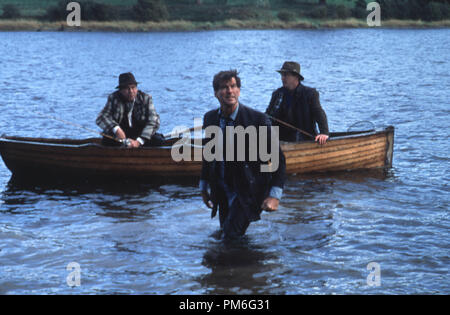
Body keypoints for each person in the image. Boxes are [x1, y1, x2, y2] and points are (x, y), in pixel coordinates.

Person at [200, 70, 286, 239]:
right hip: (222, 189)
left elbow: (277, 159)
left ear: (239, 90)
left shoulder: (257, 120)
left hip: (248, 189)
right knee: (226, 234)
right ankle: (248, 260)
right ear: (216, 93)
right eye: (224, 88)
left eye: (233, 86)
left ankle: (246, 264)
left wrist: (274, 196)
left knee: (230, 237)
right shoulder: (210, 118)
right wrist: (204, 186)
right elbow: (208, 155)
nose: (229, 91)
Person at [266, 61, 329, 145]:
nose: (282, 78)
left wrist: (324, 133)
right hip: (281, 139)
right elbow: (268, 116)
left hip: (304, 139)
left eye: (285, 75)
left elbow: (319, 113)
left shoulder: (310, 94)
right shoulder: (277, 94)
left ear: (296, 76)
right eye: (282, 75)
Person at [96, 72, 162, 148]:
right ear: (120, 90)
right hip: (120, 137)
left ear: (137, 88)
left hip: (141, 135)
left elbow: (154, 121)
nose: (131, 91)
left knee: (158, 140)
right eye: (127, 88)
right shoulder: (113, 98)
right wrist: (116, 129)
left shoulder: (146, 99)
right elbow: (101, 118)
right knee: (106, 140)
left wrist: (138, 142)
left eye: (133, 87)